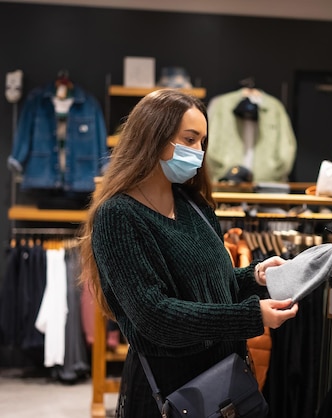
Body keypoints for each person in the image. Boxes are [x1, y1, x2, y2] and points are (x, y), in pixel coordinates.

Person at [79, 89, 299, 417]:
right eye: (189, 139)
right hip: (172, 393)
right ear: (153, 137)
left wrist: (254, 276)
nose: (198, 152)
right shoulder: (119, 216)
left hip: (224, 380)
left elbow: (213, 286)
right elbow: (155, 316)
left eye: (202, 142)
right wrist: (251, 316)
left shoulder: (193, 205)